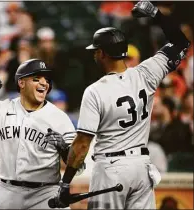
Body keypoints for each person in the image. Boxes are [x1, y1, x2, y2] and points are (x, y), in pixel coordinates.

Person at [52, 0, 190, 209]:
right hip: (141, 167)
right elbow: (180, 42)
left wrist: (65, 182)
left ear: (103, 53)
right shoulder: (146, 73)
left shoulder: (95, 91)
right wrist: (156, 14)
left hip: (111, 169)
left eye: (96, 50)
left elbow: (81, 145)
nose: (94, 54)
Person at [0, 58, 82, 209]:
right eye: (36, 79)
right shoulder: (1, 109)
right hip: (6, 189)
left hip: (46, 192)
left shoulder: (60, 118)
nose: (44, 83)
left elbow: (77, 166)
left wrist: (64, 149)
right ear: (21, 83)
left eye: (46, 79)